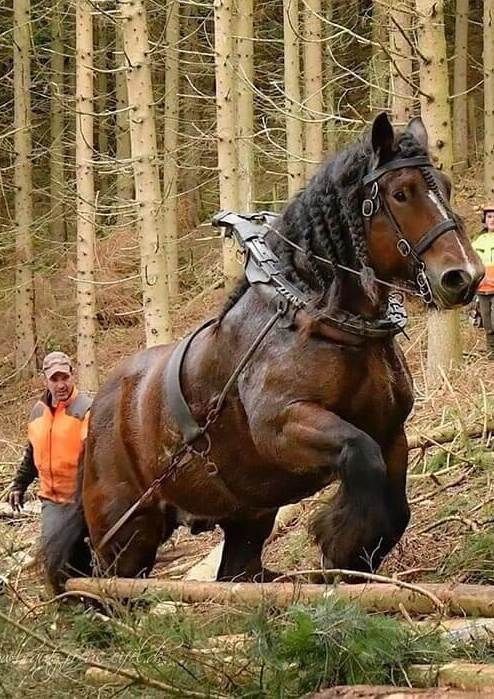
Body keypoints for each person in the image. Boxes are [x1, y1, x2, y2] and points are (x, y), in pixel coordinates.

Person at [7, 351, 92, 590]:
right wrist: (19, 484)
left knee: (91, 555)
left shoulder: (85, 410)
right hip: (53, 501)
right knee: (55, 559)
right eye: (54, 379)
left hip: (84, 498)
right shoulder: (38, 412)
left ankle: (97, 605)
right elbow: (33, 452)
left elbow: (95, 457)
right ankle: (65, 605)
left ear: (72, 376)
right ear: (46, 380)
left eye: (64, 377)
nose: (60, 384)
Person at [472, 204, 494, 358]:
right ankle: (491, 352)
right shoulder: (477, 241)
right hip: (483, 288)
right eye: (490, 217)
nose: (492, 220)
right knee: (487, 324)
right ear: (485, 220)